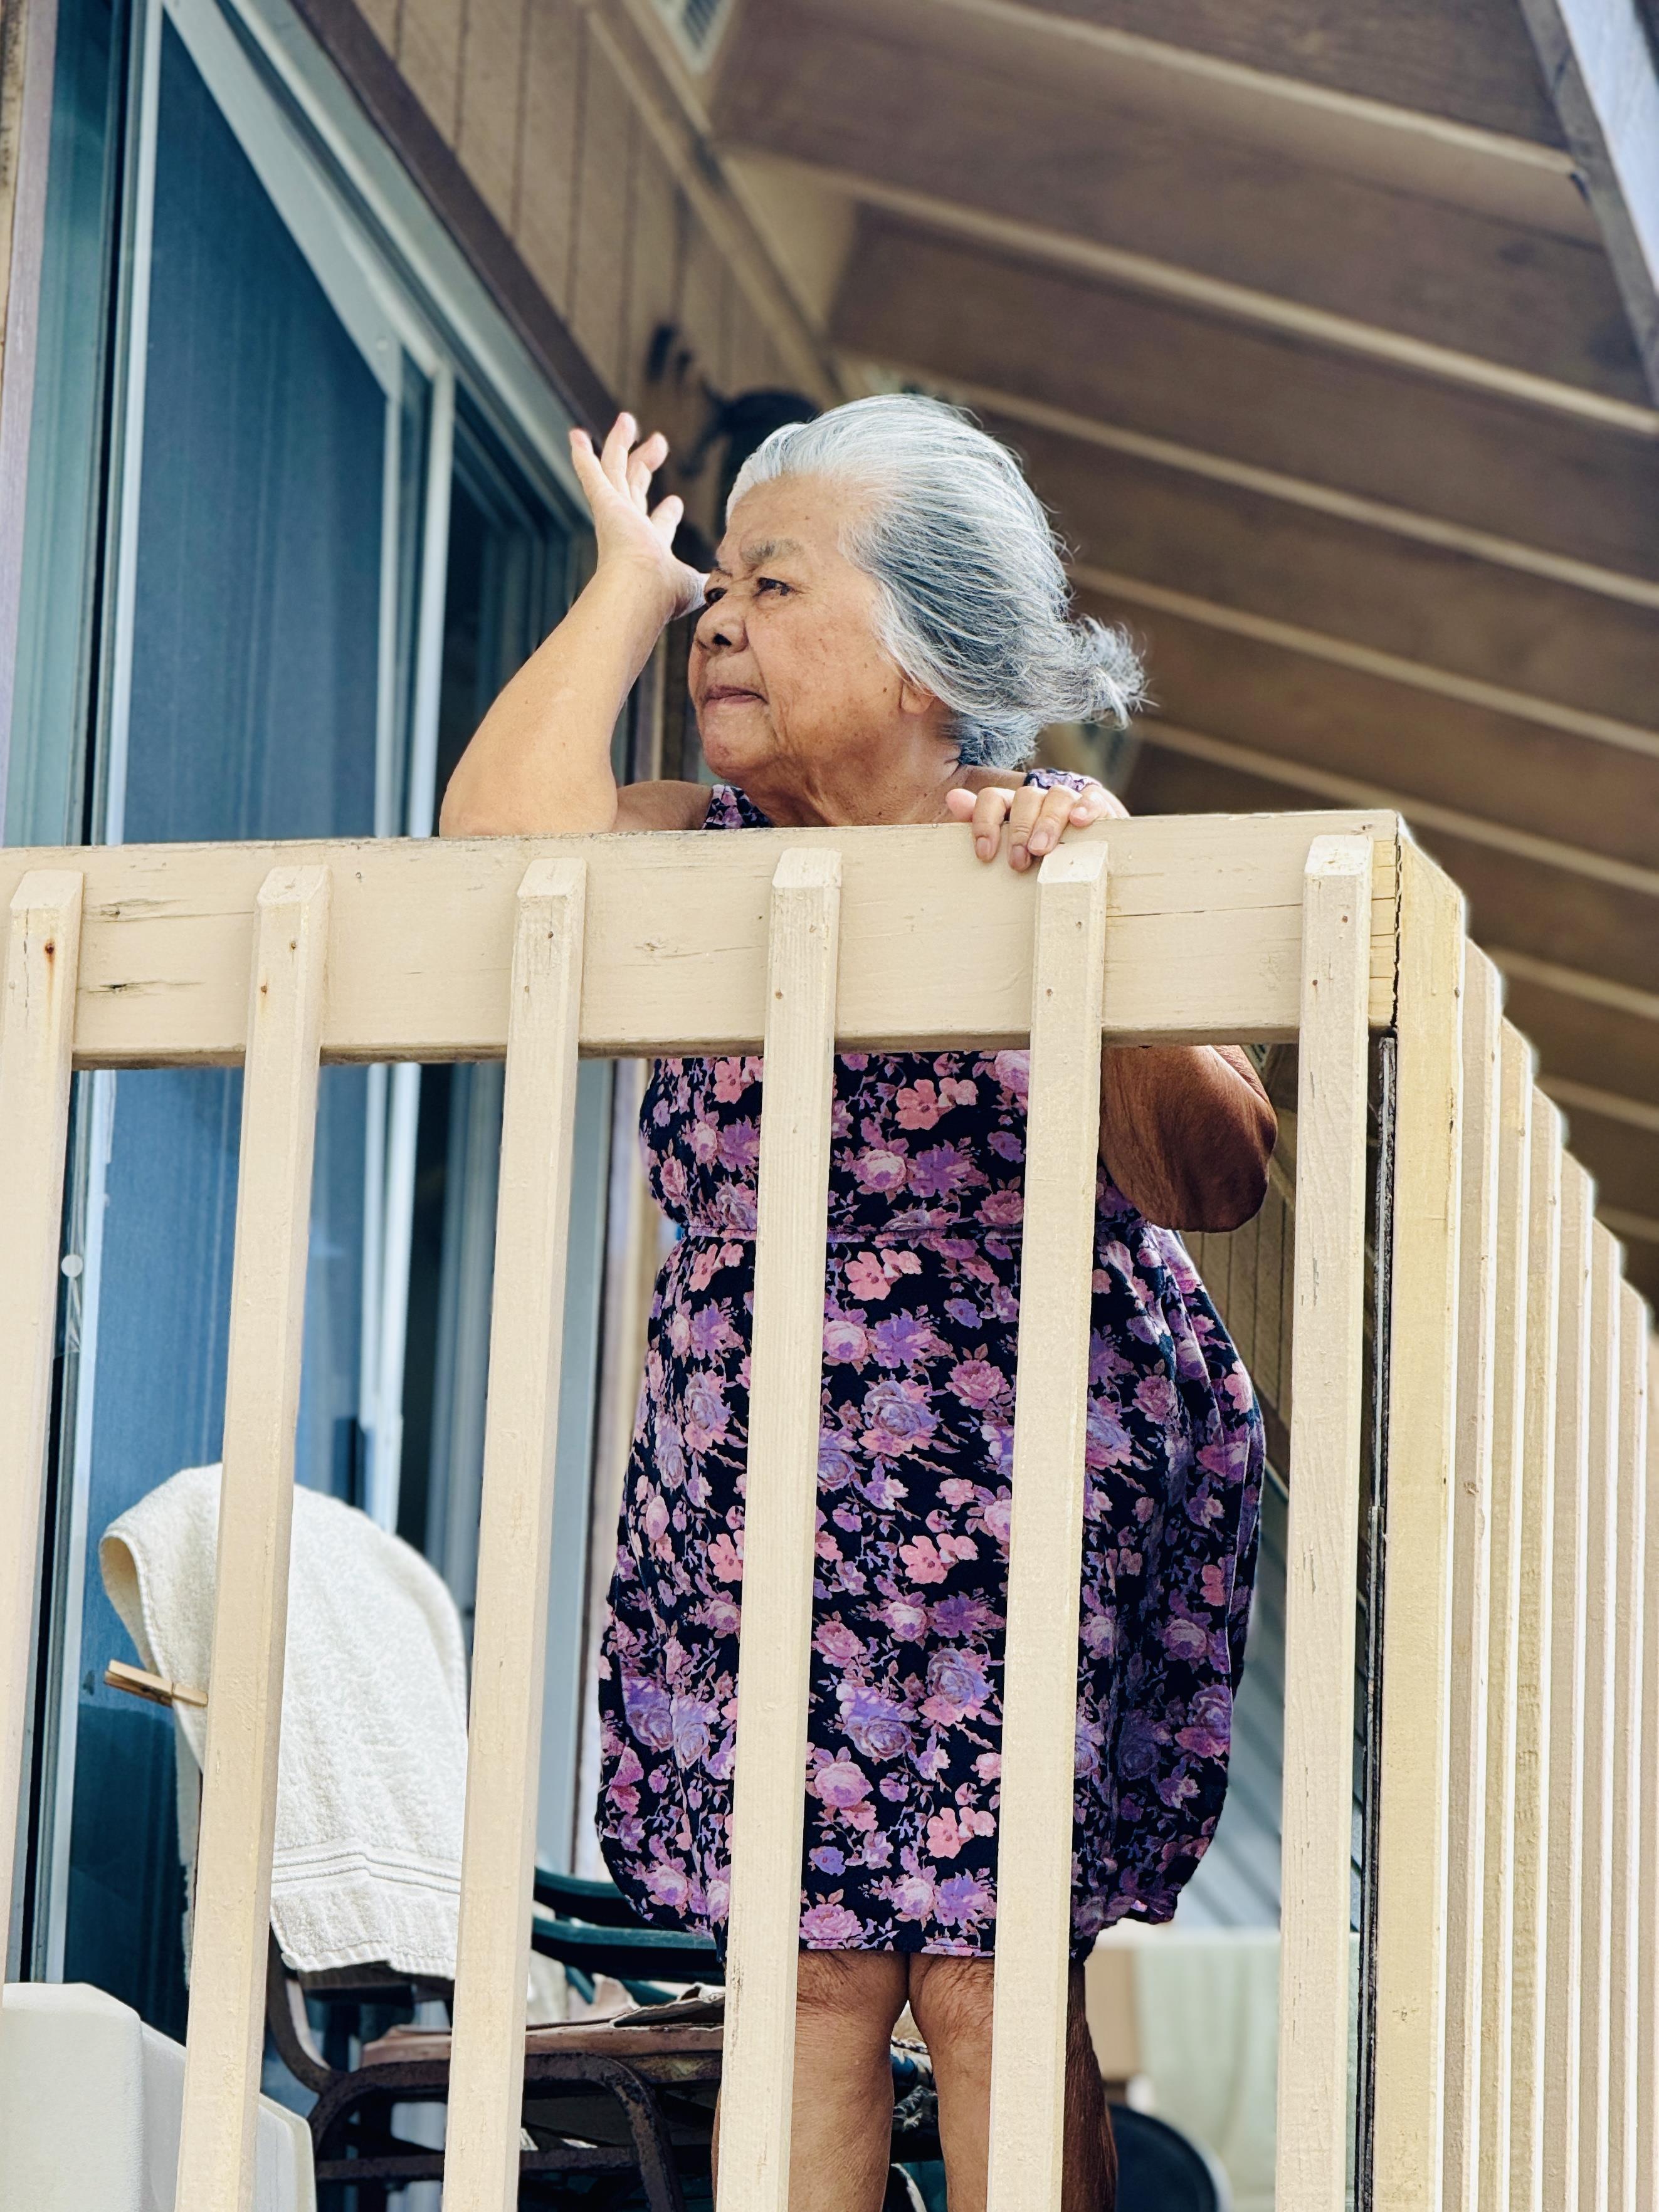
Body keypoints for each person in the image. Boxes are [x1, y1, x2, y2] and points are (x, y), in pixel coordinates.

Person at [441, 394, 1273, 2212]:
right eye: (718, 584)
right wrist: (626, 585)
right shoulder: (699, 847)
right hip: (769, 1498)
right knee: (807, 1979)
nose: (723, 619)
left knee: (985, 1968)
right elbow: (497, 847)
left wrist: (1094, 916)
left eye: (772, 583)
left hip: (1025, 1484)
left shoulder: (1052, 828)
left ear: (918, 660)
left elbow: (1214, 1170)